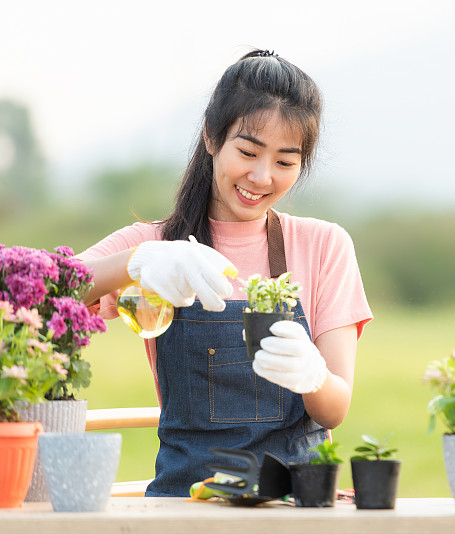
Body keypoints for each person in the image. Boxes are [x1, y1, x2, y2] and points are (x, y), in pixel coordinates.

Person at [77, 49, 372, 497]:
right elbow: (34, 291)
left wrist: (314, 376)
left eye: (285, 162)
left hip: (294, 507)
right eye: (248, 151)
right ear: (211, 137)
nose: (261, 176)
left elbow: (334, 410)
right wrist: (136, 263)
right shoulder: (157, 246)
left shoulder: (325, 246)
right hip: (184, 507)